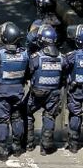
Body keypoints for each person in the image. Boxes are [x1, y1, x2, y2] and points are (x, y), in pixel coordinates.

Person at [0, 22, 29, 161]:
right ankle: (17, 147)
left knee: (2, 120)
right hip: (18, 91)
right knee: (17, 117)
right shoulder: (25, 53)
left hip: (2, 92)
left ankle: (2, 149)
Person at [24, 25, 65, 154]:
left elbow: (28, 72)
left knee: (25, 112)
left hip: (37, 93)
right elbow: (65, 73)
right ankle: (46, 147)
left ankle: (28, 143)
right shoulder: (62, 58)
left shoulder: (36, 58)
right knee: (49, 116)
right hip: (54, 93)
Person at [63, 25, 83, 153]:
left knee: (75, 114)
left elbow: (62, 66)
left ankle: (74, 144)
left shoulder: (73, 55)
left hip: (76, 90)